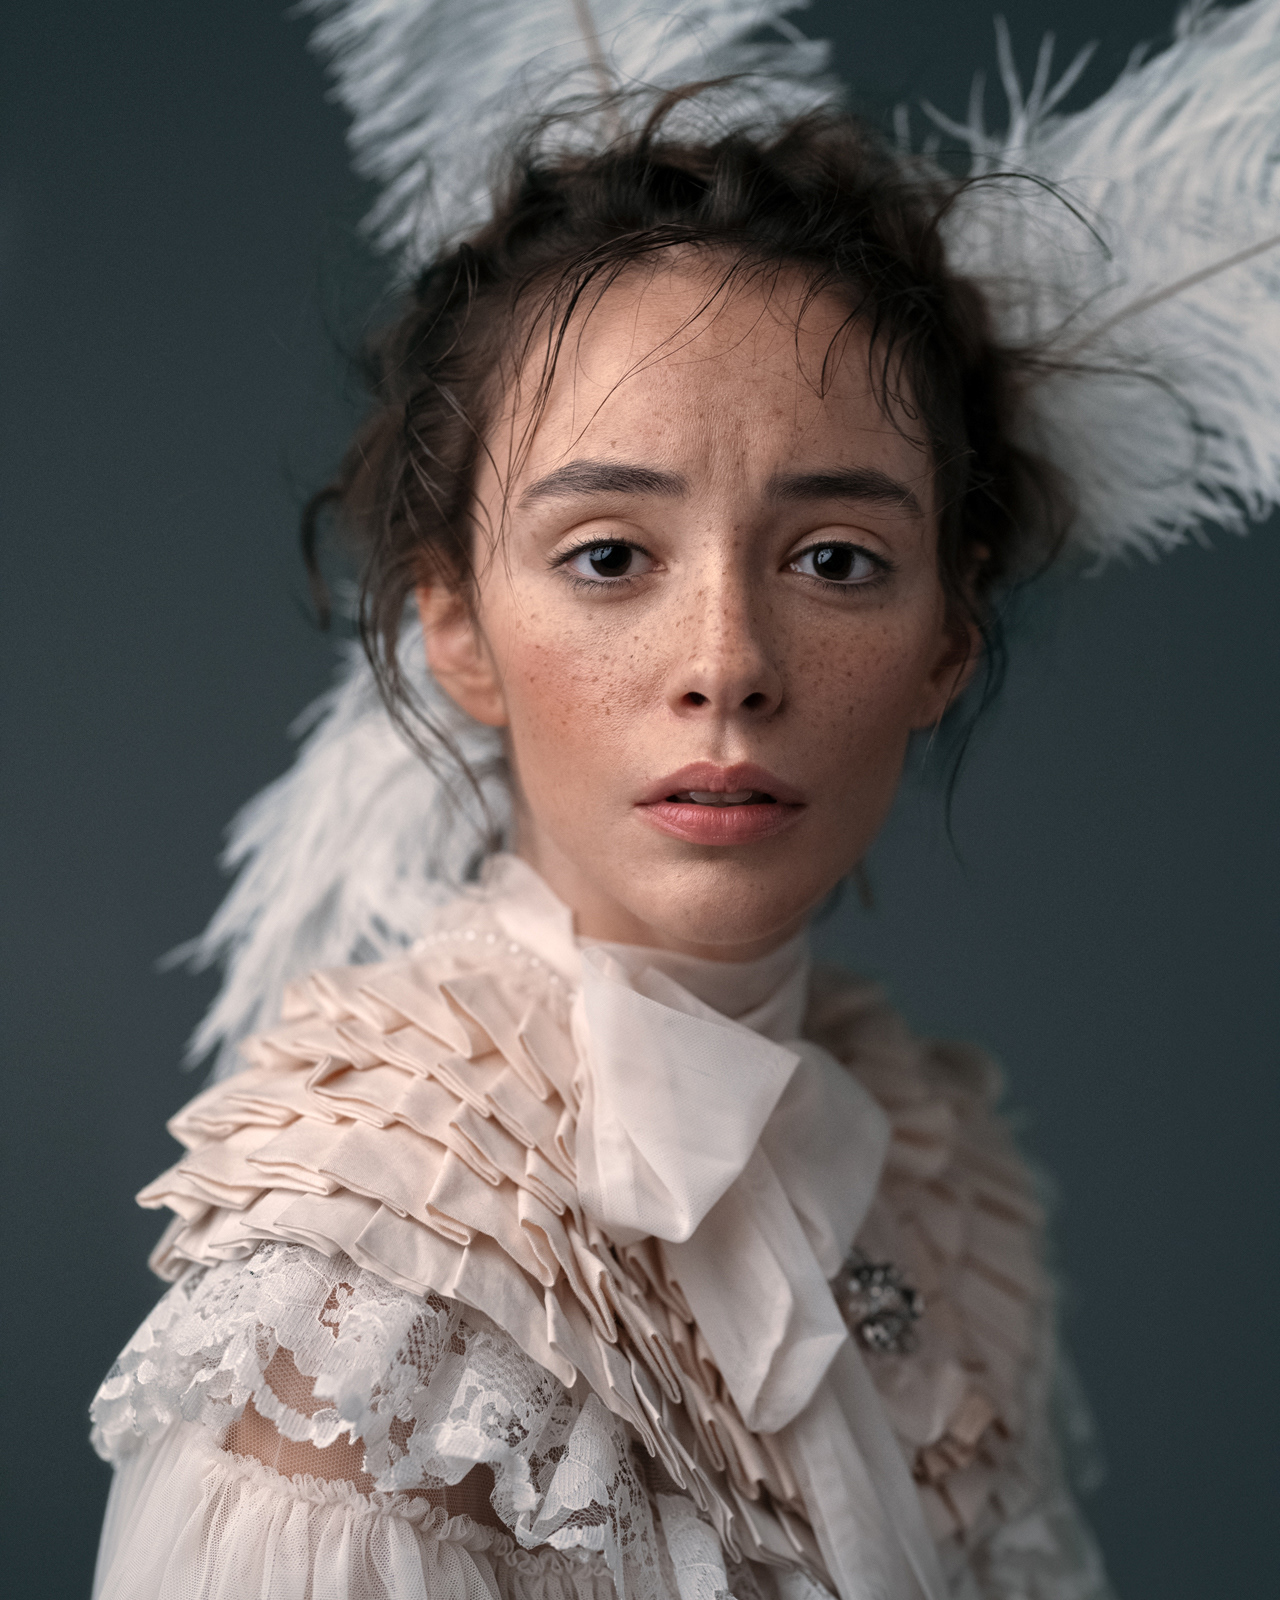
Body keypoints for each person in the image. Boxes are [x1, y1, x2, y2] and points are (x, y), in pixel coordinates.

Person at [88, 3, 1280, 1597]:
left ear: (947, 638)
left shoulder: (938, 1172)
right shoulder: (359, 1304)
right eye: (609, 557)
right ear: (457, 626)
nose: (727, 664)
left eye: (836, 560)